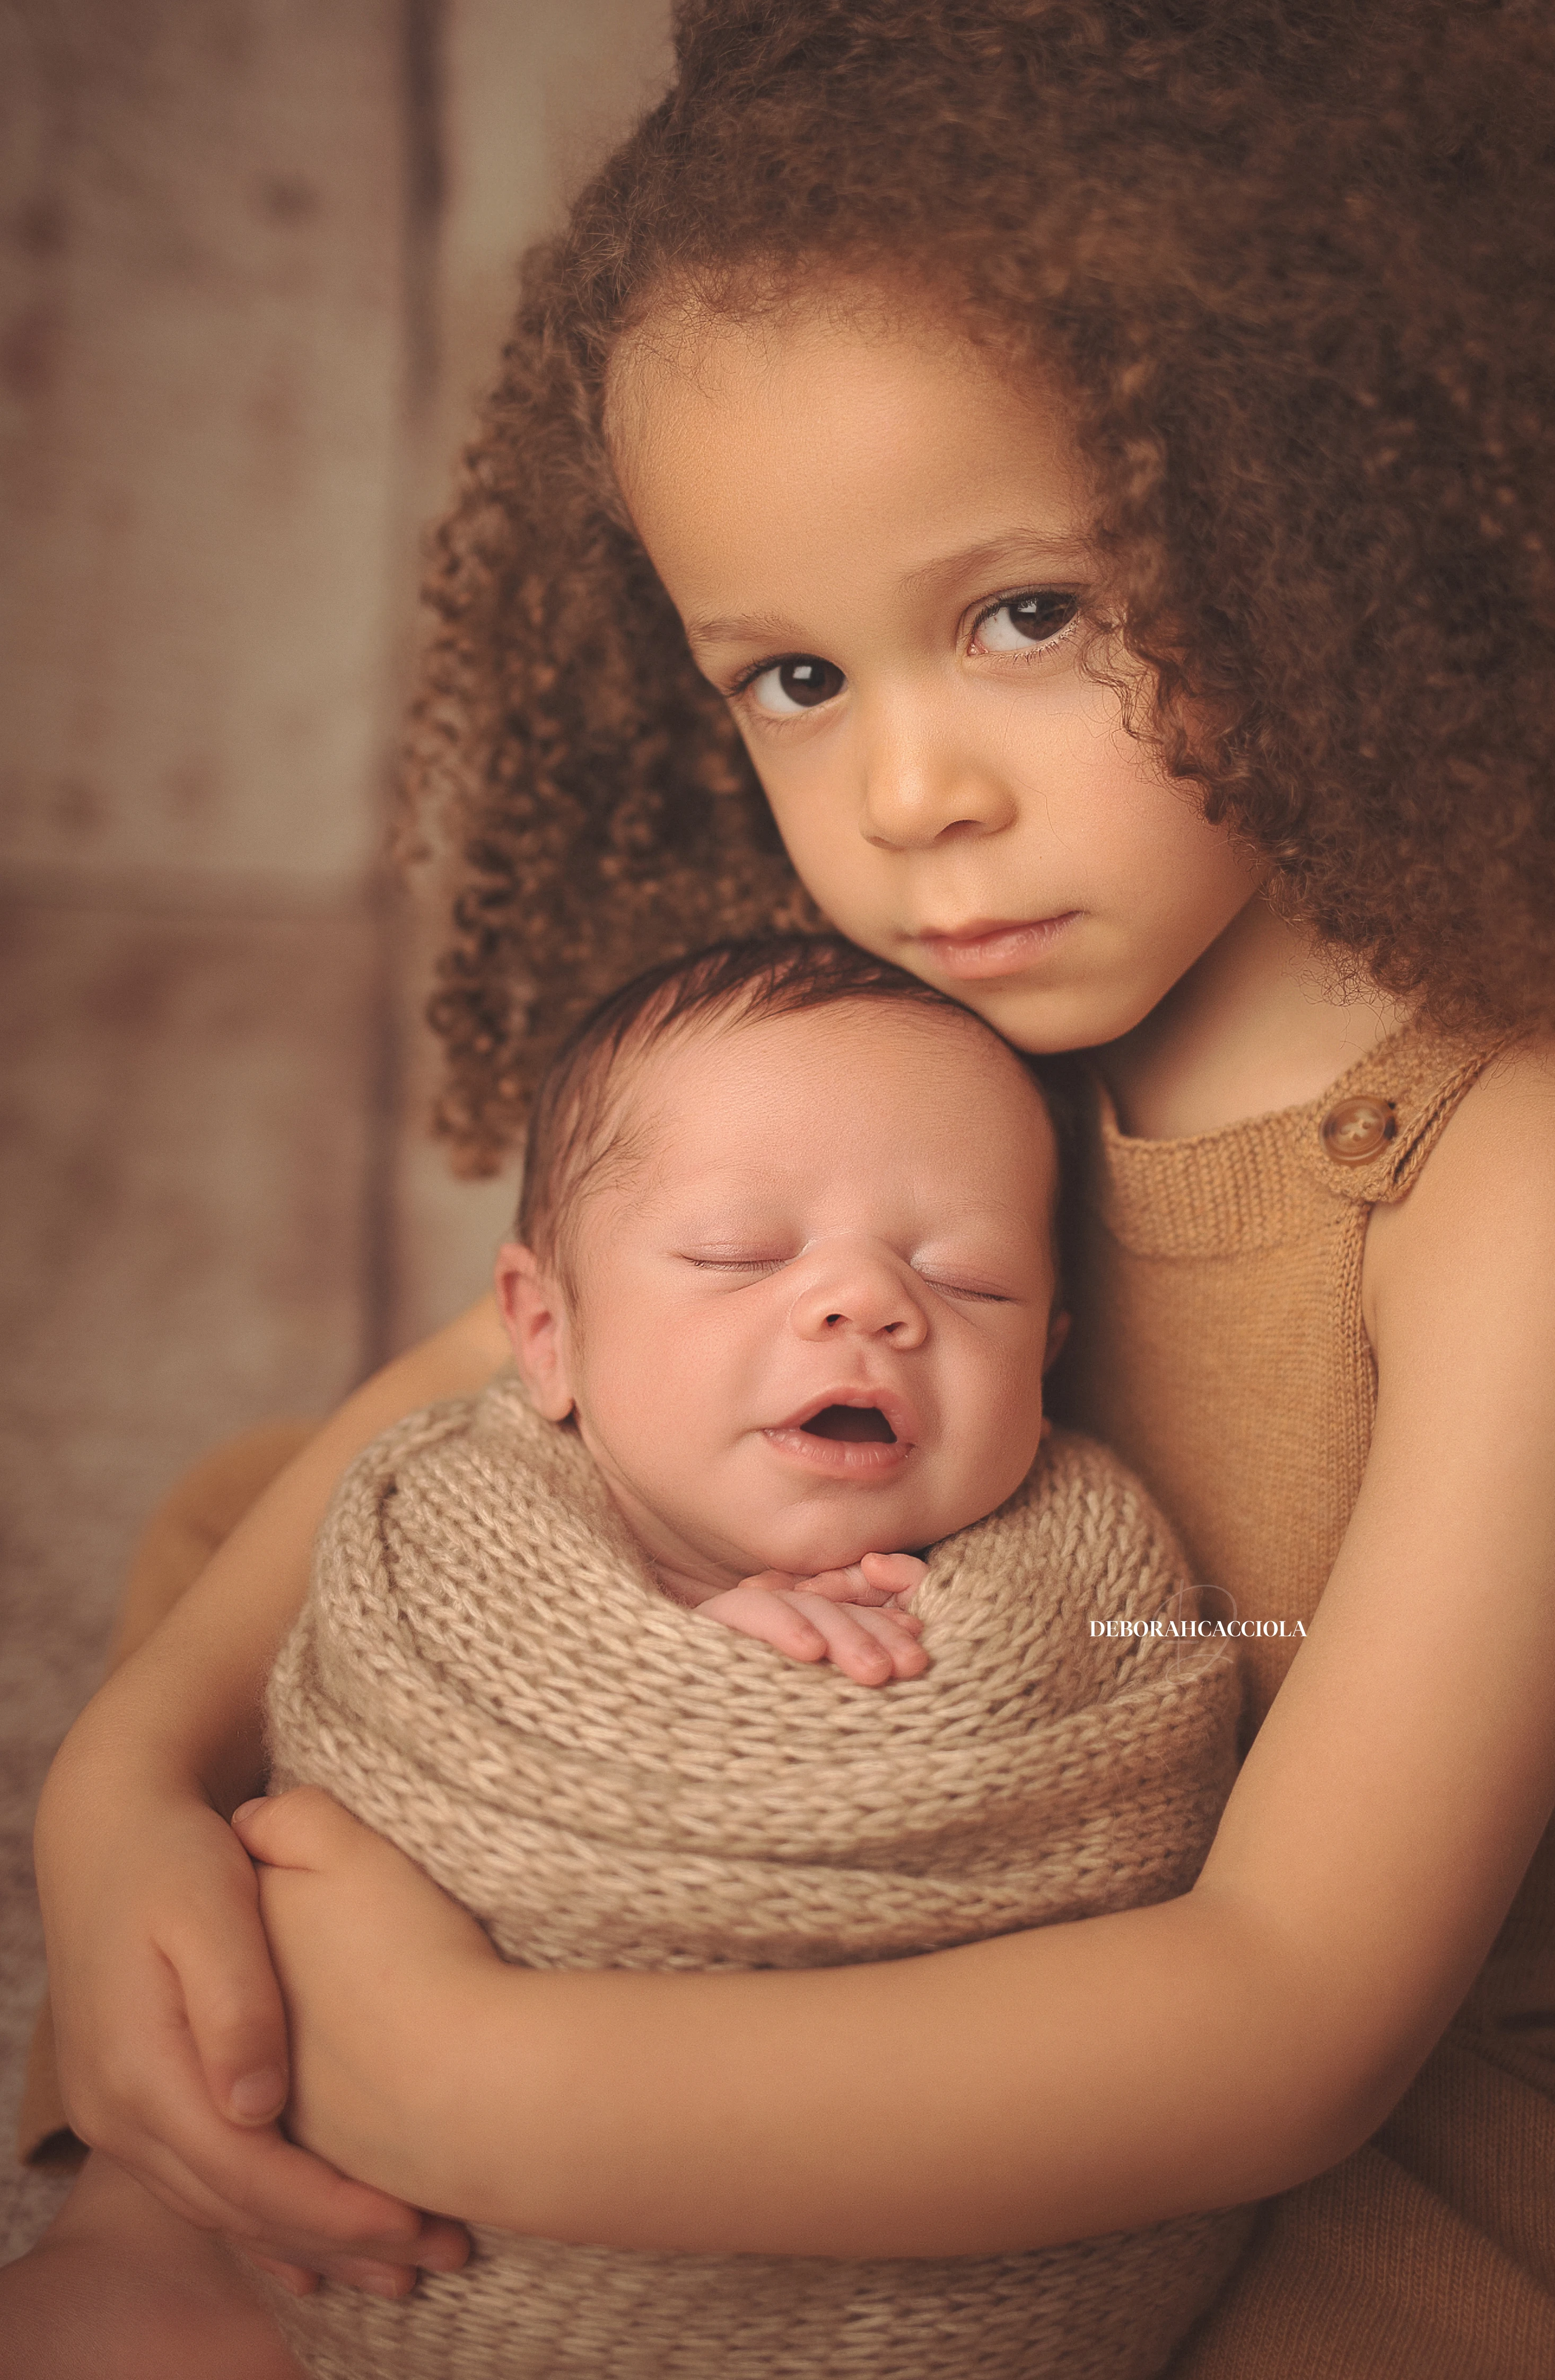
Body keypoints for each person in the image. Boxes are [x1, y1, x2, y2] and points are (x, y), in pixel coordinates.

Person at [8, 0, 1555, 2380]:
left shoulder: (1546, 1145)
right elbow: (490, 1379)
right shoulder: (964, 1016)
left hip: (1346, 2139)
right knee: (141, 2290)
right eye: (798, 679)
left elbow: (1301, 2005)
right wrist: (118, 1789)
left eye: (1035, 607)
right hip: (841, 1933)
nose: (908, 794)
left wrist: (497, 2078)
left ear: (1332, 508)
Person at [258, 930, 1249, 2378]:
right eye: (738, 1254)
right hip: (384, 2252)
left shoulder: (1087, 1607)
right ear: (545, 1334)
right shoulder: (453, 1545)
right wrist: (680, 1673)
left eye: (967, 1282)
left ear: (1049, 1355)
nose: (866, 1303)